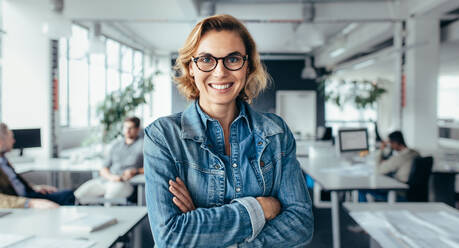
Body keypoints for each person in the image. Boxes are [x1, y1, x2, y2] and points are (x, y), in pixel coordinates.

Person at [144, 14, 313, 247]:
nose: (220, 71)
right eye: (206, 59)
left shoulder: (276, 132)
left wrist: (206, 232)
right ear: (190, 67)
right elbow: (170, 236)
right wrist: (260, 209)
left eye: (233, 59)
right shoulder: (163, 136)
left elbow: (301, 224)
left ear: (248, 66)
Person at [0, 123, 75, 206]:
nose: (14, 141)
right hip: (20, 201)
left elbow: (15, 184)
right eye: (11, 138)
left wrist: (34, 188)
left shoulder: (3, 160)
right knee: (66, 197)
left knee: (67, 194)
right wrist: (30, 203)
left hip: (28, 195)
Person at [75, 117, 144, 203]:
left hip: (125, 182)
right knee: (79, 195)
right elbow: (104, 168)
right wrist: (112, 177)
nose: (127, 130)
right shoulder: (116, 144)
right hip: (107, 180)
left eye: (131, 128)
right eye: (125, 127)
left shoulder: (143, 145)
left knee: (109, 199)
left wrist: (135, 171)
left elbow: (151, 168)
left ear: (137, 129)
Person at [359, 130, 419, 202]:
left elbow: (379, 171)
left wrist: (381, 150)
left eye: (390, 143)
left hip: (399, 194)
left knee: (361, 189)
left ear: (395, 143)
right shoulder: (415, 153)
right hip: (412, 192)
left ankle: (362, 211)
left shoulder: (399, 157)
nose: (389, 145)